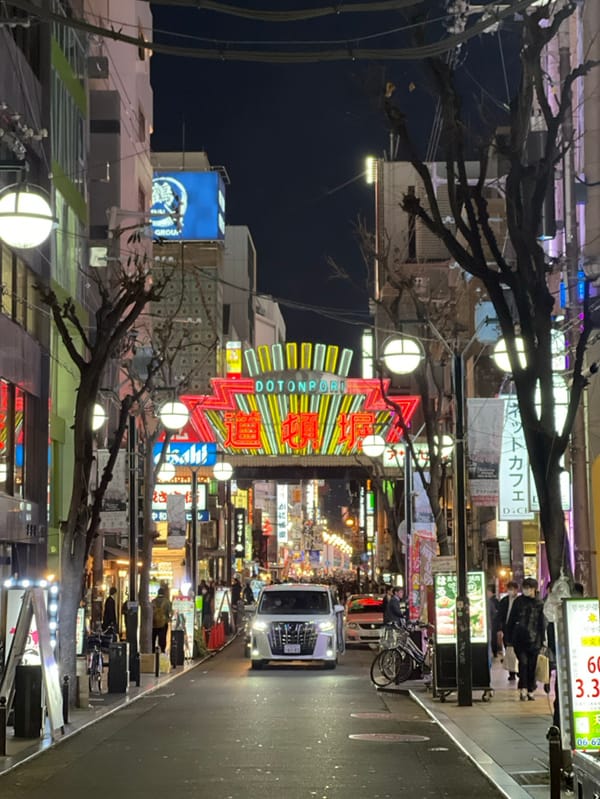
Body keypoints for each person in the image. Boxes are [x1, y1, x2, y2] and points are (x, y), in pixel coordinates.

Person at [506, 577, 546, 701]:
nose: (526, 590)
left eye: (528, 588)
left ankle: (531, 689)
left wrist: (543, 639)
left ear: (534, 589)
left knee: (532, 665)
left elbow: (542, 623)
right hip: (520, 638)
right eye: (524, 587)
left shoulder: (540, 603)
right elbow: (511, 619)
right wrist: (509, 637)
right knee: (523, 663)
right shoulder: (519, 601)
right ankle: (523, 688)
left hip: (535, 640)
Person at [497, 580, 519, 681]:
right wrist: (500, 629)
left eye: (512, 589)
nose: (510, 591)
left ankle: (518, 670)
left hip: (517, 629)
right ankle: (512, 672)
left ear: (516, 590)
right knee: (508, 650)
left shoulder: (520, 601)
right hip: (507, 628)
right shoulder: (504, 601)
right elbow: (500, 616)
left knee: (518, 650)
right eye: (509, 589)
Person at [151, 587, 172, 653]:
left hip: (154, 623)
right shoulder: (167, 602)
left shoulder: (153, 601)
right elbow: (169, 612)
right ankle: (162, 651)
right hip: (163, 623)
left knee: (153, 638)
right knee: (162, 638)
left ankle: (152, 651)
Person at [487, 585, 501, 658]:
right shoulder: (493, 601)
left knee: (492, 639)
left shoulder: (491, 601)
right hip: (493, 623)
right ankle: (494, 652)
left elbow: (495, 614)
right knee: (493, 638)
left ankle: (494, 652)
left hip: (492, 624)